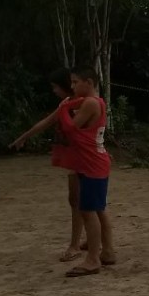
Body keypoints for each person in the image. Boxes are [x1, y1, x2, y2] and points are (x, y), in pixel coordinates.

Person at [10, 68, 87, 260]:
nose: (54, 91)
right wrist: (24, 137)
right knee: (79, 200)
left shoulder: (82, 104)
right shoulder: (67, 103)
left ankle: (76, 245)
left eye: (55, 87)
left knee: (79, 200)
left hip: (84, 157)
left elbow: (74, 129)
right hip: (76, 156)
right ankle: (89, 239)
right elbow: (47, 121)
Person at [55, 66, 115, 277]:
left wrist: (63, 109)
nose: (72, 86)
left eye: (75, 82)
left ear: (88, 82)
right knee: (98, 209)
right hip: (94, 163)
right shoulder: (95, 101)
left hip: (92, 165)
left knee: (88, 211)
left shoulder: (90, 103)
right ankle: (107, 251)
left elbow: (70, 128)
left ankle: (93, 259)